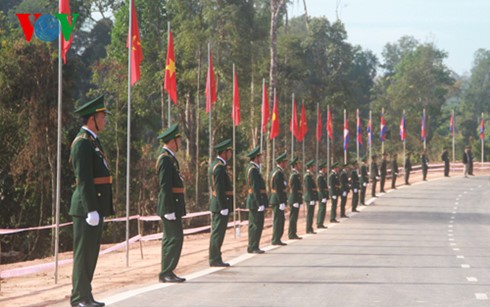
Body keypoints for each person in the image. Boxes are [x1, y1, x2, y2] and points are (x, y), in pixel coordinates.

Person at [70, 96, 114, 307]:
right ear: (92, 119)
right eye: (102, 116)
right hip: (86, 207)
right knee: (83, 253)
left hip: (95, 205)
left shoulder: (93, 142)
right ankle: (79, 297)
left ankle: (85, 295)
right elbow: (84, 180)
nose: (105, 120)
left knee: (91, 254)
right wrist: (91, 209)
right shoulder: (81, 144)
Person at [156, 123, 187, 283]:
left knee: (174, 237)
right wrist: (168, 208)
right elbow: (165, 186)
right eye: (178, 140)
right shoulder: (165, 160)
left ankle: (168, 270)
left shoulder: (171, 159)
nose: (180, 143)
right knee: (173, 238)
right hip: (169, 205)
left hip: (174, 204)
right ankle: (166, 271)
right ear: (172, 141)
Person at [209, 139, 233, 267]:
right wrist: (223, 206)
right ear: (224, 152)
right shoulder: (218, 167)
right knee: (217, 232)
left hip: (221, 204)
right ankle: (214, 258)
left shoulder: (219, 166)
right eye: (229, 151)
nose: (230, 154)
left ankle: (216, 257)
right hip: (220, 205)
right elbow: (219, 189)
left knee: (219, 232)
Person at [246, 147, 268, 253]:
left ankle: (253, 245)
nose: (261, 160)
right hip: (255, 201)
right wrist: (260, 203)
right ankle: (253, 246)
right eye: (259, 158)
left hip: (255, 200)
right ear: (255, 158)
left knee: (256, 224)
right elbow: (255, 188)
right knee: (256, 224)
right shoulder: (253, 170)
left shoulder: (253, 169)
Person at [269, 152, 288, 246]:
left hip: (277, 198)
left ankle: (277, 238)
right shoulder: (278, 173)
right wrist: (281, 201)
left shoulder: (277, 172)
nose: (286, 164)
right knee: (278, 220)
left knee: (280, 219)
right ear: (281, 163)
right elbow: (278, 188)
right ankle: (276, 239)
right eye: (285, 162)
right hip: (277, 199)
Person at [288, 157, 303, 239]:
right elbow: (293, 189)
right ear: (296, 165)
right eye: (299, 164)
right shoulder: (294, 175)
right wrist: (295, 200)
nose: (300, 165)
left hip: (296, 198)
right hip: (294, 199)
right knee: (293, 217)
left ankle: (293, 233)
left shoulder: (296, 174)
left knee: (295, 217)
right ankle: (291, 233)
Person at [304, 160, 318, 234]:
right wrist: (312, 198)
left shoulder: (310, 175)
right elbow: (308, 188)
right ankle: (308, 229)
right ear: (310, 167)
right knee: (309, 214)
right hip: (309, 197)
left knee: (311, 213)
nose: (314, 168)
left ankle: (310, 228)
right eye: (313, 167)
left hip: (311, 197)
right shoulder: (307, 176)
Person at [316, 161, 329, 229]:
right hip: (322, 195)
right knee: (321, 209)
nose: (326, 169)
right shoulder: (320, 177)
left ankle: (321, 222)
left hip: (323, 195)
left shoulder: (323, 176)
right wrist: (323, 196)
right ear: (322, 169)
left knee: (323, 209)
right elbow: (321, 188)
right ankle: (319, 223)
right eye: (325, 168)